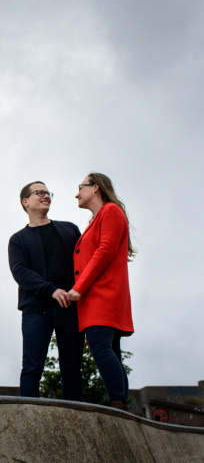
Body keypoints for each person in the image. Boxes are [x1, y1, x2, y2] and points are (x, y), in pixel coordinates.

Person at [8, 181, 84, 401]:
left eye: (47, 193)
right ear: (25, 202)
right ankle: (30, 418)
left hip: (71, 309)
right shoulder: (18, 239)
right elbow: (20, 272)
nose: (46, 196)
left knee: (72, 370)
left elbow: (84, 263)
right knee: (32, 369)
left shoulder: (70, 229)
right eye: (39, 193)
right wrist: (50, 290)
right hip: (36, 311)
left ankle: (75, 418)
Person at [67, 173, 134, 411]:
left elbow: (104, 251)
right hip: (98, 293)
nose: (77, 193)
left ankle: (117, 402)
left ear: (95, 187)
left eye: (80, 188)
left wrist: (78, 288)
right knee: (110, 348)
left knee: (100, 345)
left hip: (103, 293)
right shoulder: (97, 218)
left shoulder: (110, 211)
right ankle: (120, 401)